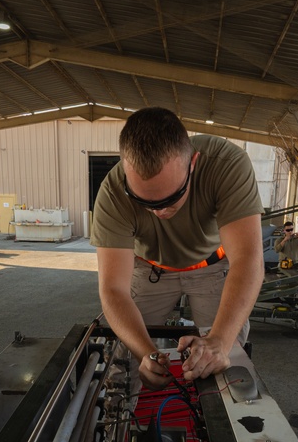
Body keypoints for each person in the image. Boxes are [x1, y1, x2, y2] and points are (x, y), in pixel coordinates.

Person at [91, 107, 264, 392]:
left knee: (225, 356)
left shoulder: (227, 164)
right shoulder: (112, 192)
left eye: (171, 197)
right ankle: (118, 417)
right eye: (144, 201)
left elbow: (248, 261)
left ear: (193, 163)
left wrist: (219, 341)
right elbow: (113, 289)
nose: (159, 211)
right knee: (124, 358)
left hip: (211, 267)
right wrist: (144, 353)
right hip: (151, 270)